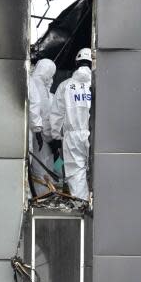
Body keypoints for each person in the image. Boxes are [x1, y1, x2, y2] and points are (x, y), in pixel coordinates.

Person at [50, 48, 92, 200]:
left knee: (76, 173)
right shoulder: (98, 84)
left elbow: (56, 114)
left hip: (72, 137)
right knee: (99, 170)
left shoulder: (65, 86)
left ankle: (82, 205)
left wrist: (55, 136)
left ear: (76, 63)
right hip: (95, 135)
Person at [28, 58, 57, 197]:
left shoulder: (30, 80)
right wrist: (48, 137)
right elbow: (42, 113)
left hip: (31, 132)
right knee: (42, 169)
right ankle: (43, 197)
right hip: (39, 135)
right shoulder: (38, 85)